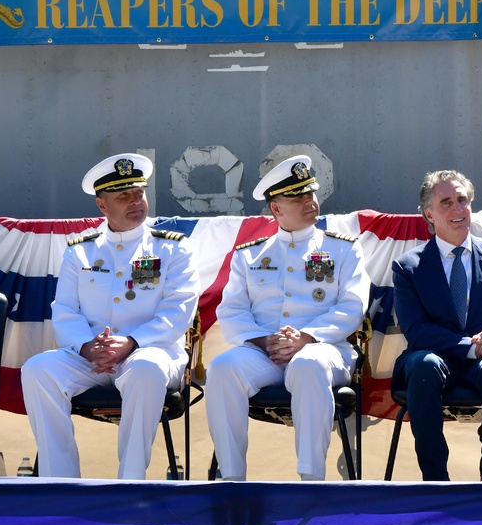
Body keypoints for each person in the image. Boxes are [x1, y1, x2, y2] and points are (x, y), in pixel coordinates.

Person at [21, 153, 200, 479]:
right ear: (103, 206)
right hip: (93, 358)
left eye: (139, 193)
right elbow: (65, 310)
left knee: (145, 367)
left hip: (152, 354)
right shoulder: (81, 251)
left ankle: (130, 480)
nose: (136, 202)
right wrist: (86, 347)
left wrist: (131, 343)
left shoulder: (173, 249)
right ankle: (59, 481)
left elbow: (178, 311)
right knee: (38, 369)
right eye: (124, 196)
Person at [206, 155, 369, 481]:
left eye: (310, 193)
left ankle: (311, 481)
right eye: (298, 197)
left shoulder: (344, 250)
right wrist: (265, 341)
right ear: (276, 209)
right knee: (222, 369)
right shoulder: (249, 255)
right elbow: (231, 310)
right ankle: (231, 481)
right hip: (265, 353)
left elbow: (353, 305)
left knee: (308, 363)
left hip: (326, 350)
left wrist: (306, 337)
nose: (309, 202)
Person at [391, 170, 482, 481]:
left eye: (463, 200)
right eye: (446, 203)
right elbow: (416, 330)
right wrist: (471, 346)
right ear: (429, 214)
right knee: (424, 365)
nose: (458, 210)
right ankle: (435, 480)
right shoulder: (409, 267)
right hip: (435, 358)